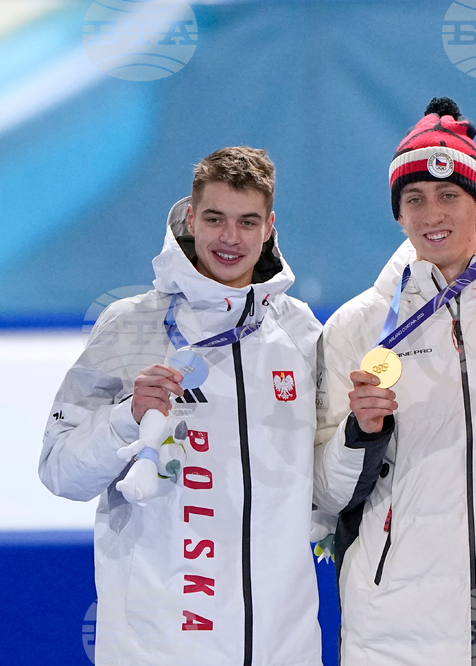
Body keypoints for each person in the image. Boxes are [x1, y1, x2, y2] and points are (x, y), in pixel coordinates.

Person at [40, 147, 324, 665]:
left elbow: (326, 479)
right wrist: (126, 417)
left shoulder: (300, 331)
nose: (230, 238)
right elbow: (59, 472)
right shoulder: (130, 326)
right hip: (159, 644)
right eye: (214, 219)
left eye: (247, 221)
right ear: (190, 218)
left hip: (281, 643)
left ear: (269, 227)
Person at [312, 97, 476, 666]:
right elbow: (325, 497)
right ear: (398, 216)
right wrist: (361, 431)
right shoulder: (358, 327)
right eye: (415, 199)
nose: (433, 214)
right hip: (394, 628)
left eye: (450, 195)